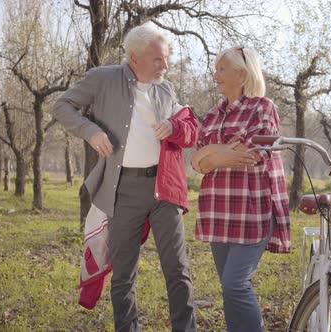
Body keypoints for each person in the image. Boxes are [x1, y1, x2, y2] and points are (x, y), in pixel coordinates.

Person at [52, 24, 197, 332]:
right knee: (123, 275)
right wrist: (91, 131)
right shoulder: (102, 79)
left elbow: (186, 129)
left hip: (163, 188)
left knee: (177, 269)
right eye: (157, 59)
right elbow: (61, 105)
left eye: (166, 58)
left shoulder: (166, 89)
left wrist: (173, 127)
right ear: (134, 58)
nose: (165, 66)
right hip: (123, 191)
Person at [191, 46, 291, 332]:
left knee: (235, 284)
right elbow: (196, 162)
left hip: (251, 211)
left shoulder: (263, 108)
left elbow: (253, 154)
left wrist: (211, 156)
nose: (215, 74)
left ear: (241, 72)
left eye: (221, 68)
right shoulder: (212, 115)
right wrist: (216, 152)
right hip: (217, 211)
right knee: (229, 288)